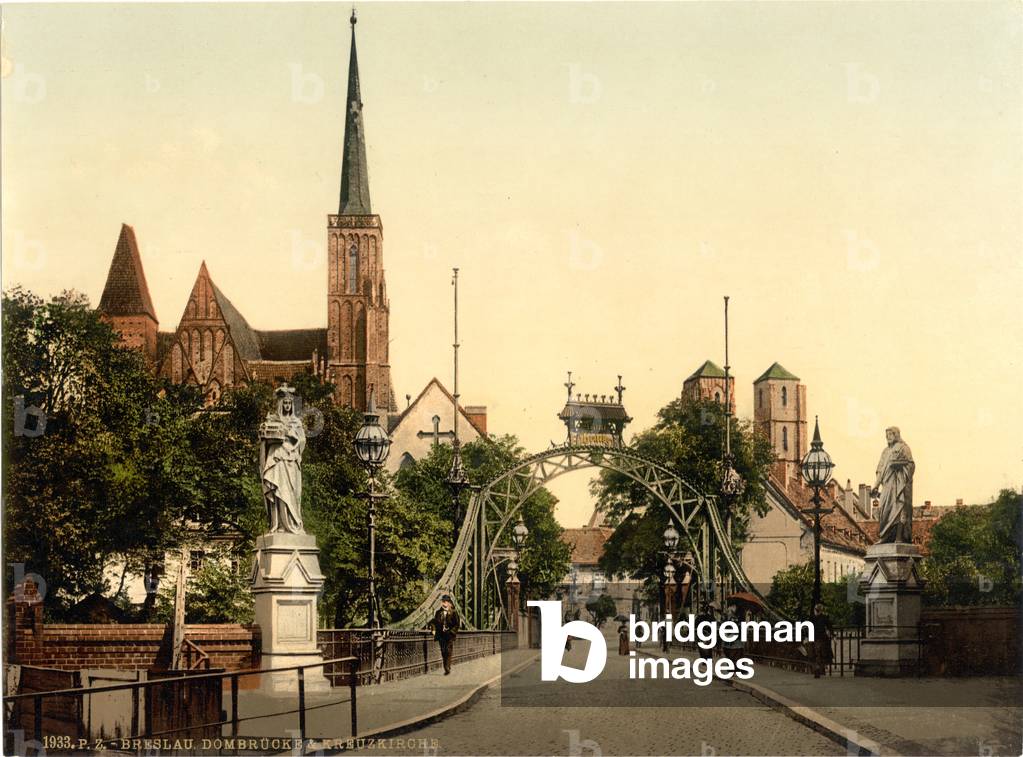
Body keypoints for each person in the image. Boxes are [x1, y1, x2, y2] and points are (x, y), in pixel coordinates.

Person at [872, 426, 915, 544]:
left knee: (899, 508)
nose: (888, 437)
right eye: (886, 436)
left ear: (896, 435)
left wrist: (899, 466)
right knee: (884, 509)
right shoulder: (885, 451)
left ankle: (898, 537)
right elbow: (880, 469)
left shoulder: (904, 448)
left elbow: (911, 465)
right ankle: (885, 536)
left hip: (898, 484)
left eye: (890, 435)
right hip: (886, 485)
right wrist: (876, 485)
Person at [429, 595, 461, 675]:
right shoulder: (438, 612)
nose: (443, 603)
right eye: (442, 602)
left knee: (448, 651)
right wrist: (433, 628)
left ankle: (447, 667)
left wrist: (451, 632)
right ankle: (446, 667)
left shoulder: (453, 612)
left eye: (445, 602)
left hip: (449, 635)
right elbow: (434, 622)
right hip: (441, 635)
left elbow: (457, 624)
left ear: (449, 603)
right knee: (443, 651)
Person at [810, 603, 833, 678]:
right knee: (821, 654)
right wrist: (833, 635)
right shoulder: (824, 618)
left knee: (816, 654)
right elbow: (830, 626)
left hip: (816, 638)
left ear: (815, 610)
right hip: (822, 638)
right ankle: (820, 669)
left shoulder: (813, 618)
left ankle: (817, 670)